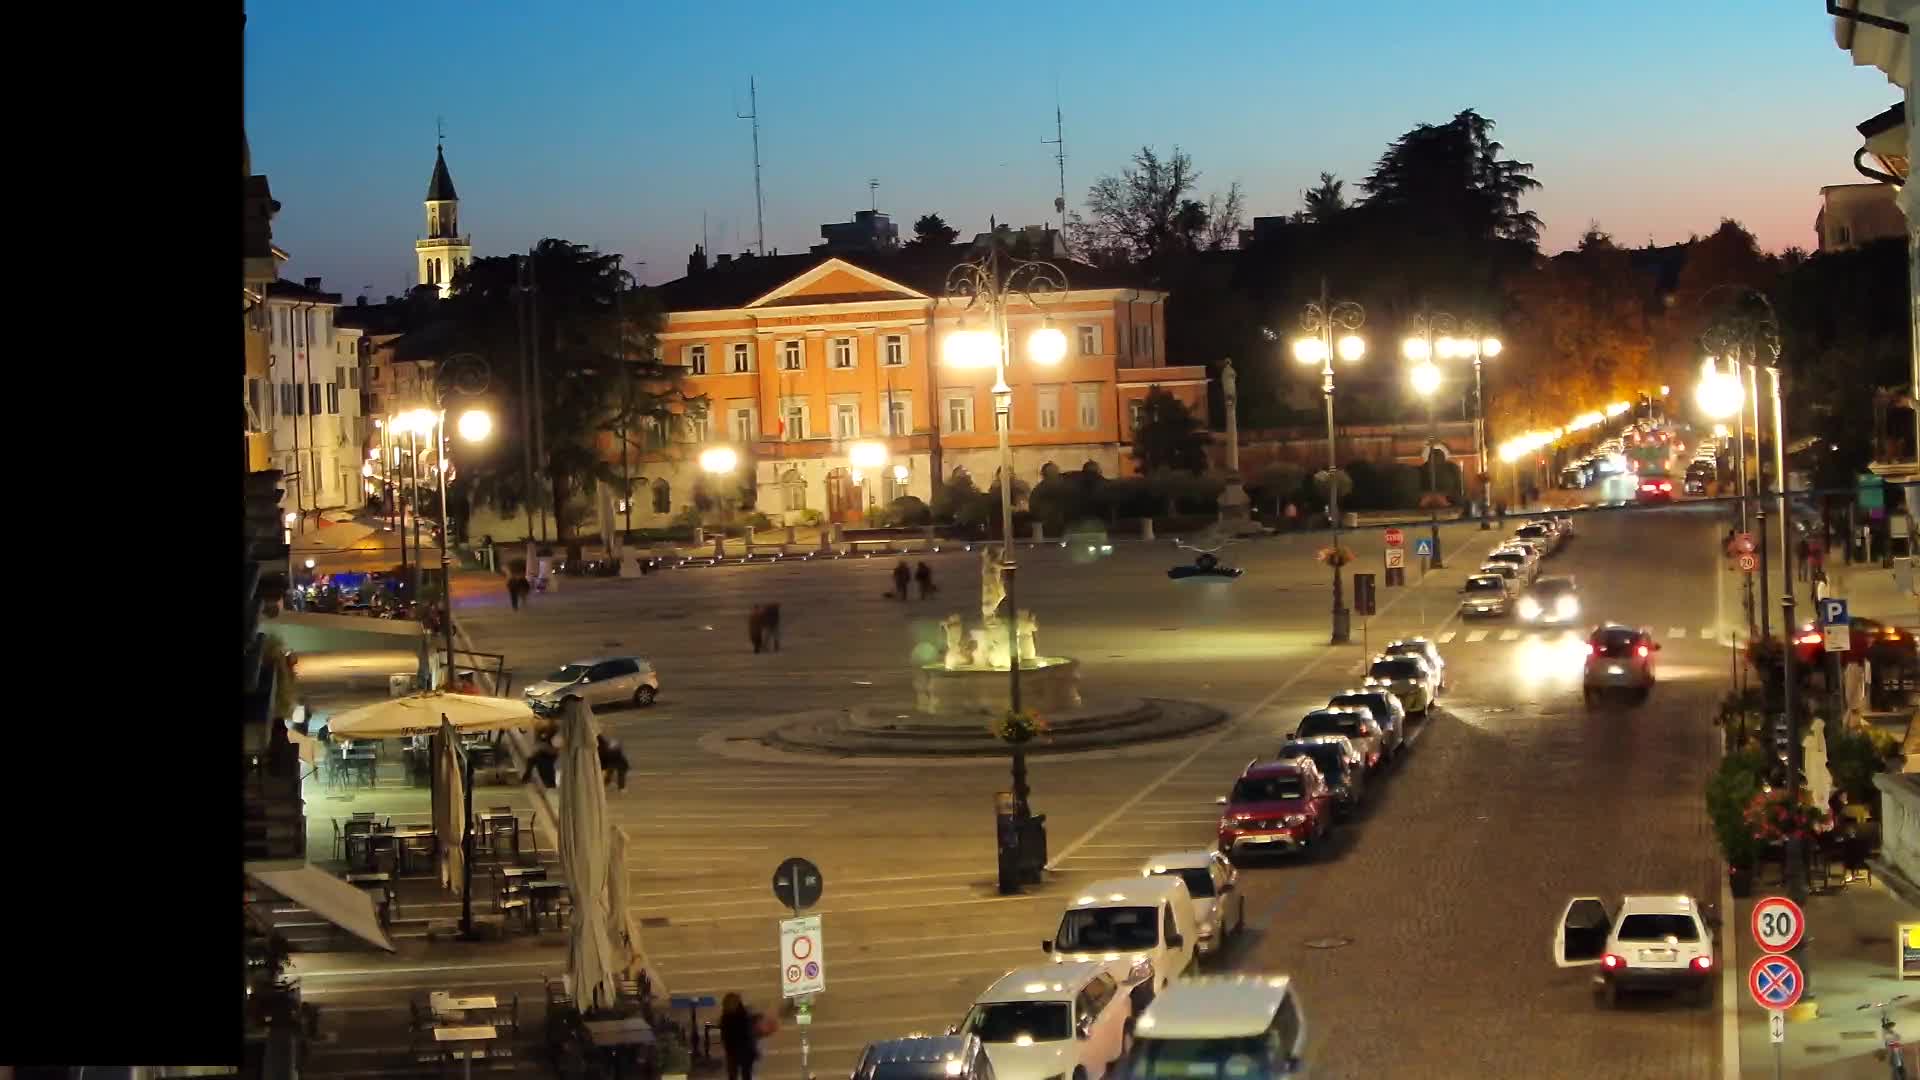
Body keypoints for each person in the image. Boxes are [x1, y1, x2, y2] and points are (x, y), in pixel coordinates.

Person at [719, 993, 765, 1080]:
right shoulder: (728, 1018)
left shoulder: (739, 1017)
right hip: (735, 1051)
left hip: (742, 1051)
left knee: (744, 1074)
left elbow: (749, 1035)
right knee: (738, 1074)